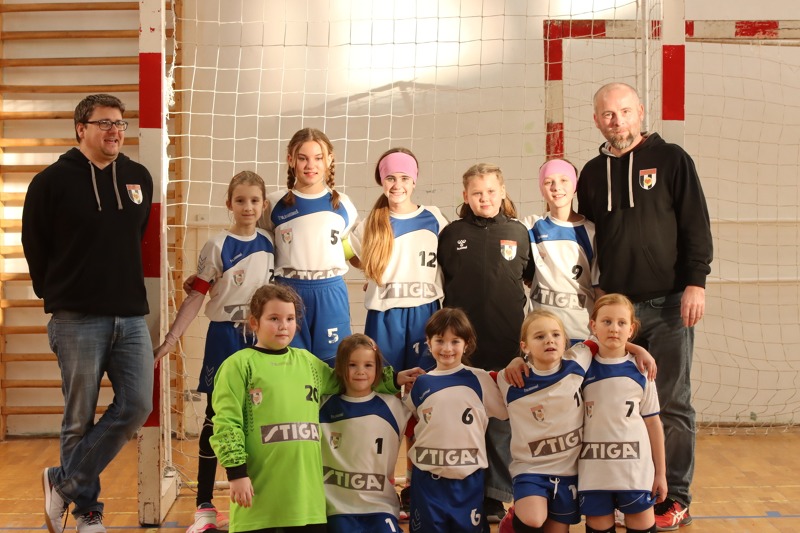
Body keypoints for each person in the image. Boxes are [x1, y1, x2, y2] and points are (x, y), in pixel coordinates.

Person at [577, 82, 713, 530]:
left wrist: (696, 283)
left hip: (671, 304)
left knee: (671, 403)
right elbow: (591, 240)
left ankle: (675, 497)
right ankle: (629, 493)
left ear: (640, 111)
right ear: (596, 120)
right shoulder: (591, 173)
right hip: (618, 314)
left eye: (624, 111)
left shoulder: (672, 159)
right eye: (607, 114)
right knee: (615, 404)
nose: (616, 120)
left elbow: (696, 224)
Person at [22, 94, 154, 533]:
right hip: (76, 318)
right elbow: (35, 245)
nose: (115, 131)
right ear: (81, 128)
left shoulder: (138, 177)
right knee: (78, 419)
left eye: (120, 123)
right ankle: (87, 512)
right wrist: (59, 295)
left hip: (130, 317)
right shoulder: (50, 182)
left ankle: (61, 482)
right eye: (105, 123)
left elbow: (135, 235)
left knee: (136, 405)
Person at [209, 284, 421, 532]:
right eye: (274, 318)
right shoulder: (238, 365)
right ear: (254, 322)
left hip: (308, 504)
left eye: (290, 319)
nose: (283, 326)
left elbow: (347, 380)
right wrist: (236, 473)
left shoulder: (307, 362)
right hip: (259, 497)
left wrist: (393, 379)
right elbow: (227, 423)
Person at [152, 170, 274, 532]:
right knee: (215, 417)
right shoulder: (217, 245)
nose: (248, 207)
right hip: (224, 337)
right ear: (228, 204)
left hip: (260, 339)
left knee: (260, 417)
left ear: (263, 204)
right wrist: (170, 340)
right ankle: (204, 505)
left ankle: (259, 499)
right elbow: (196, 296)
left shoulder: (270, 243)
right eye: (240, 200)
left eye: (254, 200)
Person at [497, 310, 656, 533]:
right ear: (525, 346)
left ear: (566, 342)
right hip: (532, 468)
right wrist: (515, 362)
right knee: (533, 519)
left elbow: (606, 339)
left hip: (568, 472)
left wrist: (638, 349)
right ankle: (515, 521)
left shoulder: (578, 361)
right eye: (540, 336)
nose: (549, 340)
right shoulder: (511, 380)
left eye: (555, 335)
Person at [437, 163, 534, 521]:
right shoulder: (452, 234)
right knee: (463, 420)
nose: (485, 198)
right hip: (461, 348)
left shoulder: (518, 232)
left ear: (502, 192)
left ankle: (495, 496)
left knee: (501, 423)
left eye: (491, 191)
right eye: (477, 193)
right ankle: (461, 489)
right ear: (465, 196)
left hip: (506, 344)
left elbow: (528, 278)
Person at [403, 308, 508, 533]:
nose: (447, 348)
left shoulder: (481, 379)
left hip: (468, 480)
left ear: (466, 344)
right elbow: (409, 425)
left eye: (455, 341)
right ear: (428, 342)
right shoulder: (420, 383)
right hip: (428, 482)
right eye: (440, 340)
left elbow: (509, 411)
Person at [264, 127, 359, 366]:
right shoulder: (273, 204)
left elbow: (350, 250)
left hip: (330, 292)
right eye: (303, 158)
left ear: (329, 159)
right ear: (291, 160)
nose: (310, 165)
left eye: (318, 158)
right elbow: (254, 246)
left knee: (334, 366)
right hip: (288, 291)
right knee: (291, 365)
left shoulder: (344, 205)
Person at [348, 147, 447, 372]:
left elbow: (449, 258)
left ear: (414, 181)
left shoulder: (433, 217)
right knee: (384, 378)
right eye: (390, 178)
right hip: (385, 314)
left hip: (425, 311)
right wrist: (372, 271)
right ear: (382, 181)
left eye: (404, 178)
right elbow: (353, 255)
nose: (397, 185)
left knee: (425, 378)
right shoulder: (372, 222)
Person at [578, 293, 667, 533]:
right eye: (606, 322)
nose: (614, 328)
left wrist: (661, 473)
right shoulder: (580, 367)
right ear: (593, 325)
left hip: (635, 471)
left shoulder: (642, 369)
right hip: (594, 473)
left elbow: (653, 424)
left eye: (621, 323)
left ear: (631, 329)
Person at [320, 333, 412, 533]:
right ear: (340, 367)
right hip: (338, 510)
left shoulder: (394, 407)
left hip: (381, 507)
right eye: (352, 365)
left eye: (368, 365)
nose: (360, 371)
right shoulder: (322, 406)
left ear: (378, 368)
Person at [522, 159, 597, 344]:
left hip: (581, 332)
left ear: (575, 186)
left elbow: (600, 289)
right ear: (541, 189)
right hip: (541, 335)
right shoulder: (530, 226)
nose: (556, 187)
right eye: (548, 182)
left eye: (564, 180)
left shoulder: (592, 232)